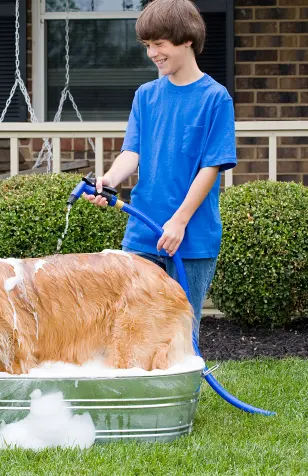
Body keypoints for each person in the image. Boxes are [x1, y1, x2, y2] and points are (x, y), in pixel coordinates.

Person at [83, 0, 237, 329]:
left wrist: (179, 222)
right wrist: (107, 180)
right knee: (134, 327)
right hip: (143, 231)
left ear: (187, 41)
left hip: (191, 236)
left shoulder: (215, 98)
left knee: (180, 332)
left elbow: (210, 169)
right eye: (148, 45)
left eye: (160, 44)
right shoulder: (146, 96)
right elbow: (132, 152)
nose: (152, 53)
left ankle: (183, 383)